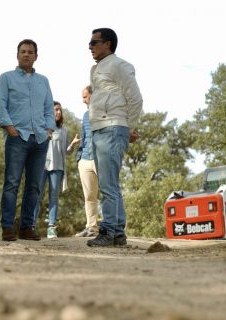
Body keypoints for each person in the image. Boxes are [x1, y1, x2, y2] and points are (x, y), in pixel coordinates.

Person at [86, 28, 143, 247]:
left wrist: (128, 127)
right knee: (110, 183)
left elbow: (136, 98)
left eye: (94, 42)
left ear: (107, 44)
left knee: (108, 185)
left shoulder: (120, 65)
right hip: (100, 128)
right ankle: (118, 233)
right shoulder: (97, 68)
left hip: (111, 127)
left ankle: (108, 231)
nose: (90, 47)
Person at [0, 39, 55, 242]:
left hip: (39, 139)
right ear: (17, 55)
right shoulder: (6, 78)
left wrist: (48, 130)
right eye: (23, 51)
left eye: (30, 52)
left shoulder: (43, 81)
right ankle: (7, 228)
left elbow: (49, 108)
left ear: (36, 56)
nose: (26, 54)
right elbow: (0, 106)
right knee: (11, 183)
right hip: (17, 137)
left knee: (35, 185)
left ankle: (27, 227)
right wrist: (10, 129)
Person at [33, 101, 73, 239]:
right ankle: (31, 225)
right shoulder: (42, 127)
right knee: (36, 196)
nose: (58, 112)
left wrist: (73, 145)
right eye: (55, 110)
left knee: (53, 198)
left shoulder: (64, 130)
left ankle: (51, 228)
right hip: (42, 166)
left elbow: (67, 151)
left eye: (59, 110)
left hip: (57, 167)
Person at [74, 85, 99, 238]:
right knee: (89, 196)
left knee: (110, 193)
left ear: (93, 95)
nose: (83, 100)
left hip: (100, 159)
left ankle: (115, 228)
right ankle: (91, 227)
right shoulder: (84, 116)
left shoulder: (104, 112)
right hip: (85, 159)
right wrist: (79, 157)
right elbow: (83, 136)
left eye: (85, 97)